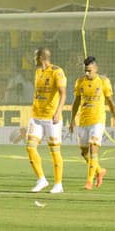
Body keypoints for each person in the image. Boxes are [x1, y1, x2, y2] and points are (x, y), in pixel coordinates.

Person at [68, 56, 115, 191]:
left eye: (89, 71)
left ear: (96, 69)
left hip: (98, 120)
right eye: (85, 70)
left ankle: (89, 182)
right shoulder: (79, 82)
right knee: (84, 152)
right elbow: (76, 102)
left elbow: (110, 101)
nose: (87, 73)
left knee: (93, 147)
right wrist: (72, 119)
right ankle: (99, 170)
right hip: (83, 121)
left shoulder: (104, 82)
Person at [26, 48, 67, 194]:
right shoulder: (38, 72)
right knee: (30, 147)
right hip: (36, 116)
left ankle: (58, 184)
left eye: (35, 56)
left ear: (41, 57)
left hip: (51, 118)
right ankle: (41, 179)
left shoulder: (57, 71)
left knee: (54, 151)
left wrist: (58, 112)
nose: (33, 58)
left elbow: (63, 94)